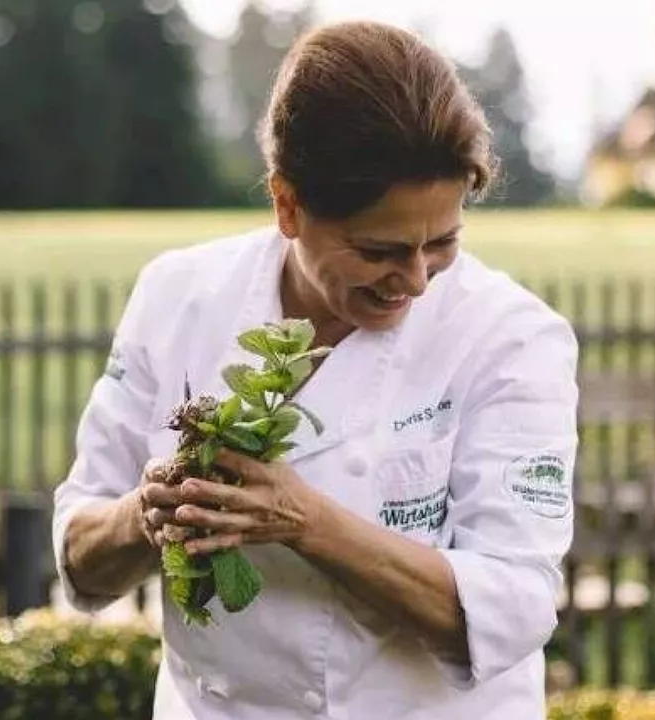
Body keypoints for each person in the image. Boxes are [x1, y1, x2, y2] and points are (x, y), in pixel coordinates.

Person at [51, 19, 579, 720]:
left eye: (443, 242)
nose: (416, 280)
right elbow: (81, 554)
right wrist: (144, 516)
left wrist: (302, 520)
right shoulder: (178, 296)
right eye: (379, 250)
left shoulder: (510, 337)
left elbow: (514, 607)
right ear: (288, 204)